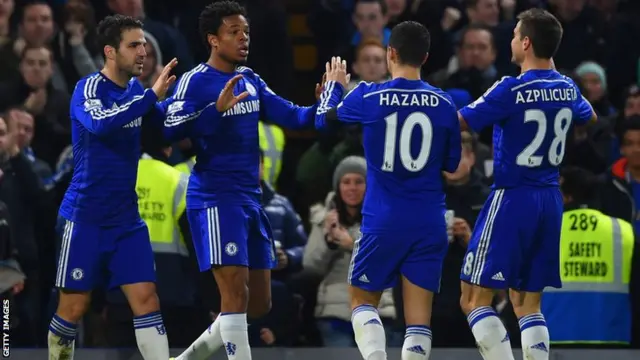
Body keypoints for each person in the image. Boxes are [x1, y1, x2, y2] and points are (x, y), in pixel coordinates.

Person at [159, 2, 321, 359]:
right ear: (213, 40)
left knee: (258, 303)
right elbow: (169, 129)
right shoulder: (195, 81)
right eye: (234, 32)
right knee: (233, 298)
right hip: (216, 198)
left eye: (246, 32)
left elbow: (296, 119)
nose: (243, 38)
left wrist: (328, 100)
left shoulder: (252, 80)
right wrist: (214, 111)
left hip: (251, 199)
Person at [456, 9, 597, 360]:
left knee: (472, 297)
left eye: (515, 35)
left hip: (512, 196)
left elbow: (461, 121)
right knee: (527, 303)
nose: (511, 40)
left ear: (526, 42)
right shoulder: (567, 86)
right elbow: (589, 116)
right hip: (550, 198)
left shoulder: (510, 88)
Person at [316, 21, 461, 360]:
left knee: (362, 301)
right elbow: (452, 165)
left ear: (390, 52)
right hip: (429, 221)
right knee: (418, 321)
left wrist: (334, 88)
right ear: (425, 57)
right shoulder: (444, 103)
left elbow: (323, 119)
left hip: (383, 220)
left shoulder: (369, 95)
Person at [48, 14, 177, 360]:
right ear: (109, 51)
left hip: (126, 221)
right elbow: (101, 124)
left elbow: (164, 131)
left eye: (144, 45)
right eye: (134, 45)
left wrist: (209, 110)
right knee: (73, 307)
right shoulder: (88, 89)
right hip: (84, 218)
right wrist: (150, 98)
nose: (143, 52)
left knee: (147, 300)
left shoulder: (137, 92)